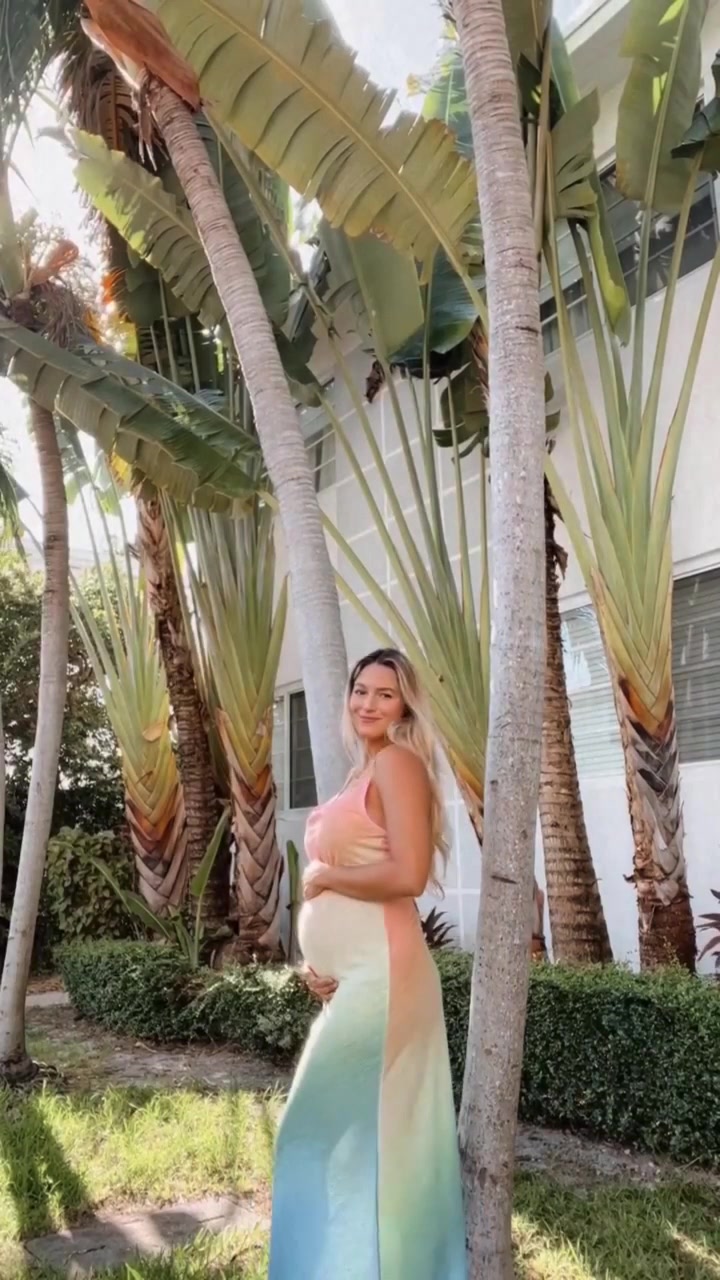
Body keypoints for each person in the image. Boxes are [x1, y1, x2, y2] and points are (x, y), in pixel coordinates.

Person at [269, 649, 467, 1280]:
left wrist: (325, 876)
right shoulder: (365, 770)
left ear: (405, 705)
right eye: (361, 690)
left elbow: (408, 875)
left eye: (385, 693)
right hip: (356, 977)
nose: (368, 703)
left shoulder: (399, 763)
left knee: (313, 1128)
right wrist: (316, 961)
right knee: (366, 1136)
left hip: (386, 974)